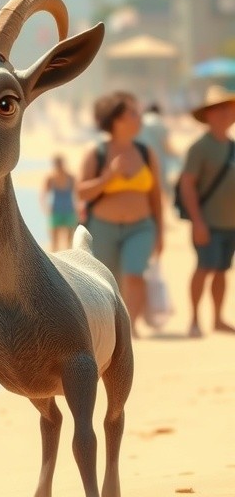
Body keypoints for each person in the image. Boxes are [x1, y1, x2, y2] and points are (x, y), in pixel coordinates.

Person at [77, 90, 164, 338]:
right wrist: (108, 177)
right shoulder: (96, 153)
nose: (140, 118)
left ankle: (130, 328)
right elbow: (82, 192)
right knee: (107, 282)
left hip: (141, 227)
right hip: (102, 227)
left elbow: (156, 196)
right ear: (115, 120)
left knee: (134, 274)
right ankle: (109, 329)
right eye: (133, 113)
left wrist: (161, 232)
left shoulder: (147, 153)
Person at [178, 85, 235, 338]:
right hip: (207, 222)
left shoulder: (232, 146)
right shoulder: (200, 147)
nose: (227, 113)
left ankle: (218, 318)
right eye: (221, 109)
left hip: (230, 223)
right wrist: (197, 222)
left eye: (229, 108)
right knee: (204, 267)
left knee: (222, 269)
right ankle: (193, 319)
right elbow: (187, 185)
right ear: (209, 114)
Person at [42, 154, 78, 251]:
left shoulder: (71, 177)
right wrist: (45, 207)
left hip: (69, 210)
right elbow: (43, 194)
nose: (59, 166)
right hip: (55, 210)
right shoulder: (50, 178)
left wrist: (78, 208)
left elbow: (78, 193)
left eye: (60, 164)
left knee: (70, 241)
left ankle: (69, 261)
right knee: (54, 242)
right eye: (57, 164)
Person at [138, 102, 174, 195]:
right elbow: (166, 144)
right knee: (163, 186)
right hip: (158, 159)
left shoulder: (140, 120)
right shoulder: (158, 121)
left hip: (141, 159)